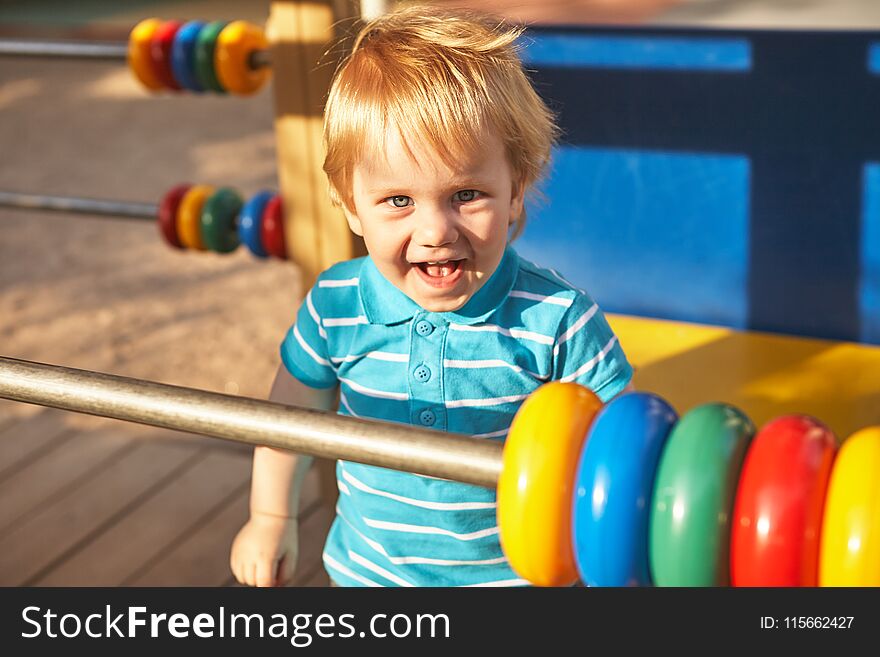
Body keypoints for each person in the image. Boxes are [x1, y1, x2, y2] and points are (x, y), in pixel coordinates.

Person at [230, 4, 633, 588]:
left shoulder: (558, 321)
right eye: (398, 201)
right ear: (348, 204)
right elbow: (289, 418)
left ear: (515, 190)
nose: (436, 231)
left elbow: (621, 453)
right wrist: (270, 517)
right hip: (370, 575)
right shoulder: (336, 306)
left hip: (512, 582)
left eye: (466, 194)